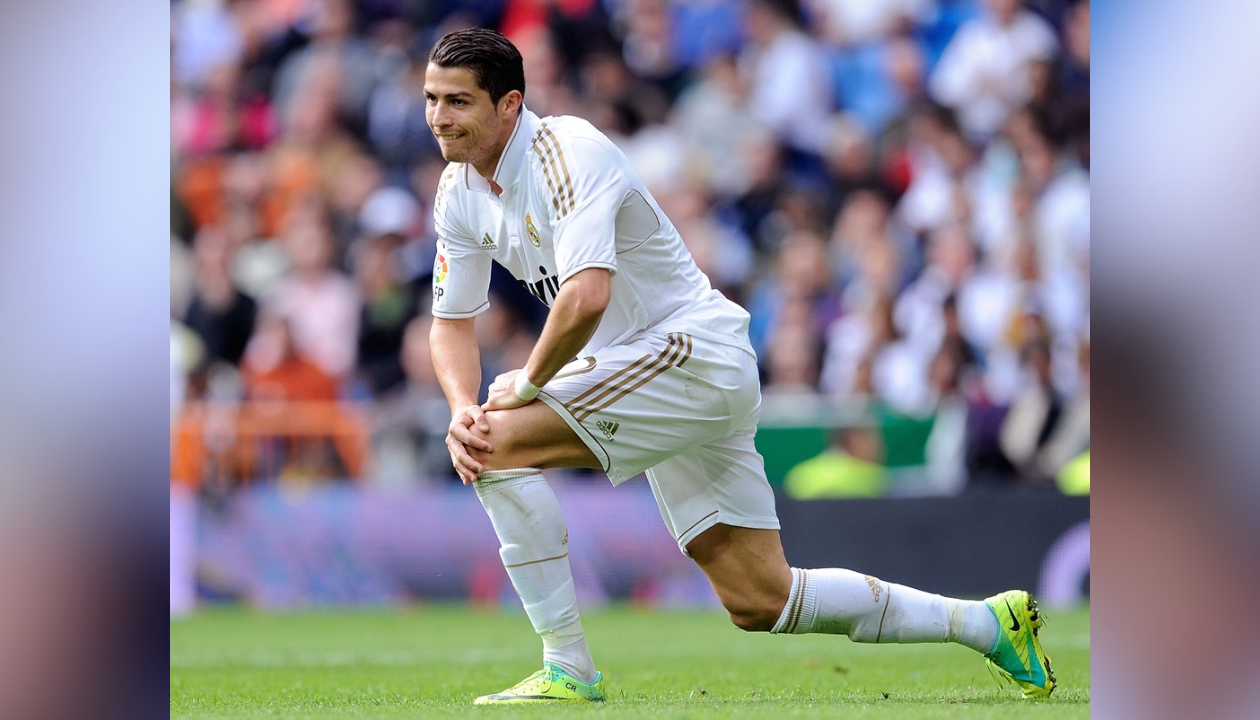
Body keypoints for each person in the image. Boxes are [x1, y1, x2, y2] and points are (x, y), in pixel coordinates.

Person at [423, 28, 1055, 704]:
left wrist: (531, 381)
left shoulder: (567, 153)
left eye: (458, 102)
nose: (438, 117)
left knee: (495, 445)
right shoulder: (459, 190)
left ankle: (567, 667)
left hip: (685, 354)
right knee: (763, 599)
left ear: (510, 105)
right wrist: (462, 404)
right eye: (432, 99)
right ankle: (990, 624)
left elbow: (586, 296)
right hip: (657, 375)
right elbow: (450, 322)